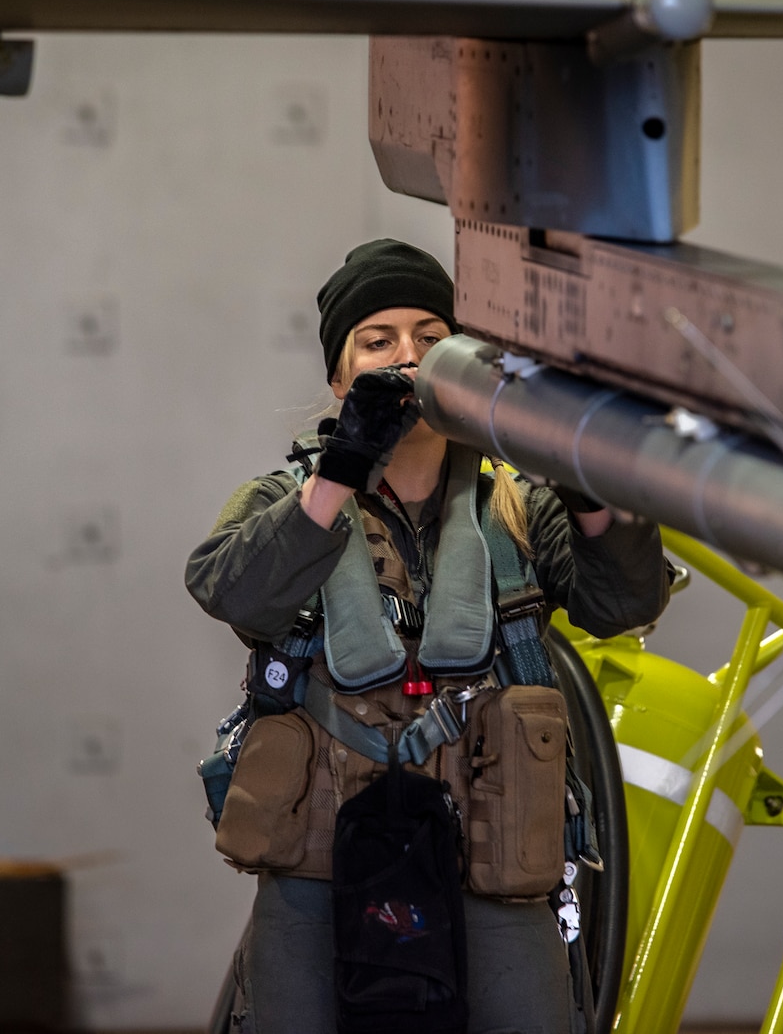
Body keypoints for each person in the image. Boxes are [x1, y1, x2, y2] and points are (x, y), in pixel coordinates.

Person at [186, 239, 669, 1034]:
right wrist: (342, 464)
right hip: (320, 856)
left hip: (493, 852)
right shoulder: (289, 499)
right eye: (377, 340)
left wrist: (584, 475)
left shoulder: (514, 506)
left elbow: (623, 601)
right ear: (341, 378)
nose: (408, 356)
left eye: (430, 334)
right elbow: (230, 590)